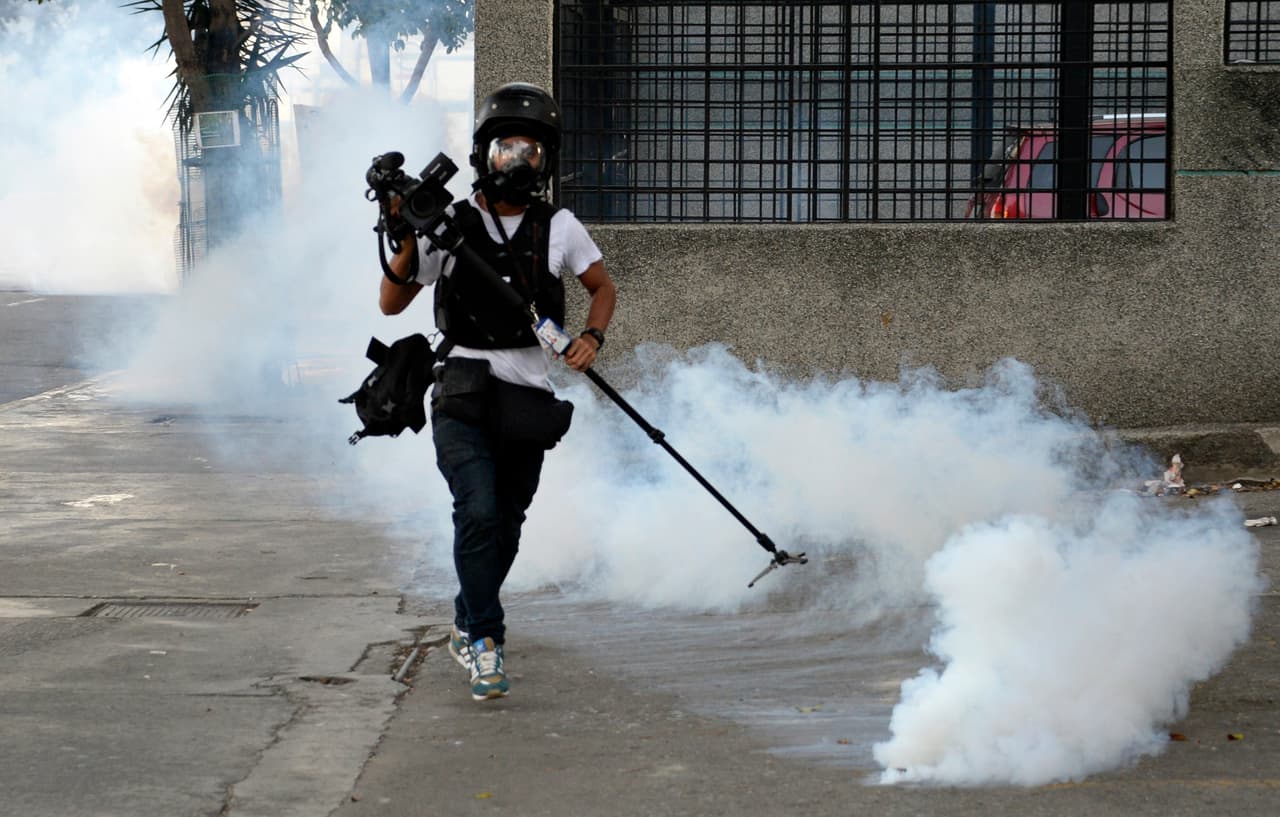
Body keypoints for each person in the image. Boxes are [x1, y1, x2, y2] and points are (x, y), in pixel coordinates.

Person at [378, 82, 617, 702]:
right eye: (509, 148)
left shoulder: (558, 227)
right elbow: (390, 300)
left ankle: (466, 615)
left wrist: (591, 336)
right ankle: (486, 643)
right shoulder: (451, 222)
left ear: (547, 161)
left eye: (532, 151)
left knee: (506, 524)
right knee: (478, 510)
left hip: (527, 397)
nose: (519, 161)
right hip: (459, 388)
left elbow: (603, 287)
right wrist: (407, 233)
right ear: (485, 152)